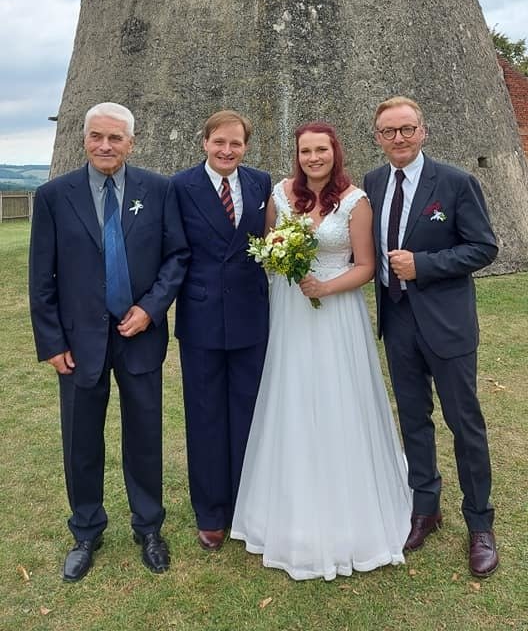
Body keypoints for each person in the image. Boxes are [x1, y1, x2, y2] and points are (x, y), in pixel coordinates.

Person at [231, 122, 412, 580]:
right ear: (297, 154)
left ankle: (350, 503)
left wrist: (326, 286)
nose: (314, 158)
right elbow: (270, 250)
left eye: (322, 151)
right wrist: (283, 260)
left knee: (338, 396)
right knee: (290, 394)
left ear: (335, 153)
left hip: (336, 310)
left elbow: (367, 266)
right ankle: (287, 506)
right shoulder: (280, 194)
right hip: (290, 309)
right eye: (306, 151)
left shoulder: (354, 200)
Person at [29, 102, 189, 581]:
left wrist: (150, 309)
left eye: (115, 138)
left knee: (144, 436)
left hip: (138, 335)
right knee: (80, 441)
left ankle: (149, 527)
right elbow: (42, 279)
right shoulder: (55, 195)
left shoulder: (158, 190)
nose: (105, 145)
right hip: (79, 344)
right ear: (84, 139)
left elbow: (177, 256)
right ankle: (86, 529)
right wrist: (52, 342)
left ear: (131, 143)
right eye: (97, 136)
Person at [363, 96, 499, 578]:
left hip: (447, 324)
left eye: (406, 129)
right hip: (397, 321)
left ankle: (480, 523)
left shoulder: (458, 183)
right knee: (414, 420)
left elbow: (483, 247)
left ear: (423, 131)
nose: (398, 138)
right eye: (388, 131)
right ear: (377, 137)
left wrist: (424, 266)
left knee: (465, 423)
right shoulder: (373, 183)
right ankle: (426, 509)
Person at [171, 110, 271, 551]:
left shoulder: (261, 183)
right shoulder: (180, 187)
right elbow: (174, 250)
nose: (227, 150)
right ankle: (211, 512)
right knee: (206, 415)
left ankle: (247, 505)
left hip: (251, 316)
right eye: (219, 143)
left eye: (236, 143)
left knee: (250, 414)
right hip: (202, 318)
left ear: (245, 146)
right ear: (205, 142)